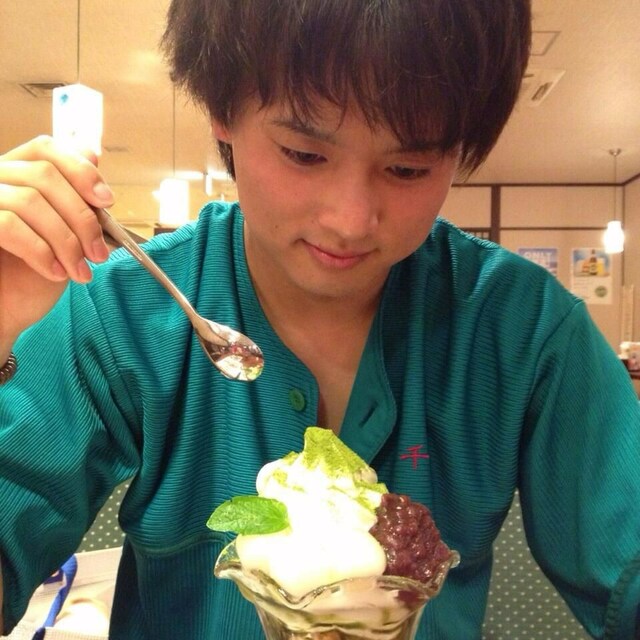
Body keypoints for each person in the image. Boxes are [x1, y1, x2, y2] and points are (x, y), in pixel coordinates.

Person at [0, 0, 638, 638]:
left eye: (407, 169)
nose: (350, 220)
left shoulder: (521, 327)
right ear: (222, 111)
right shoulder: (122, 312)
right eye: (304, 154)